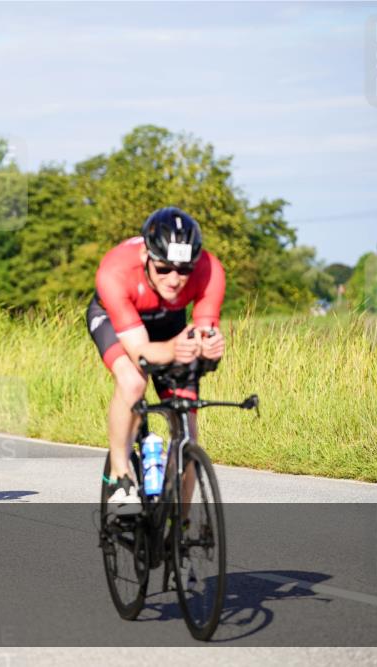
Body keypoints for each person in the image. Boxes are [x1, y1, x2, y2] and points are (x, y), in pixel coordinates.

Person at [86, 207, 225, 512]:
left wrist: (210, 350)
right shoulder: (115, 271)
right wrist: (176, 349)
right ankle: (120, 478)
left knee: (186, 422)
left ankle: (180, 526)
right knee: (133, 381)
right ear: (146, 257)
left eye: (184, 270)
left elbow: (204, 329)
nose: (175, 280)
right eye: (163, 269)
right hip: (114, 320)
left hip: (168, 321)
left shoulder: (210, 270)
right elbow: (139, 352)